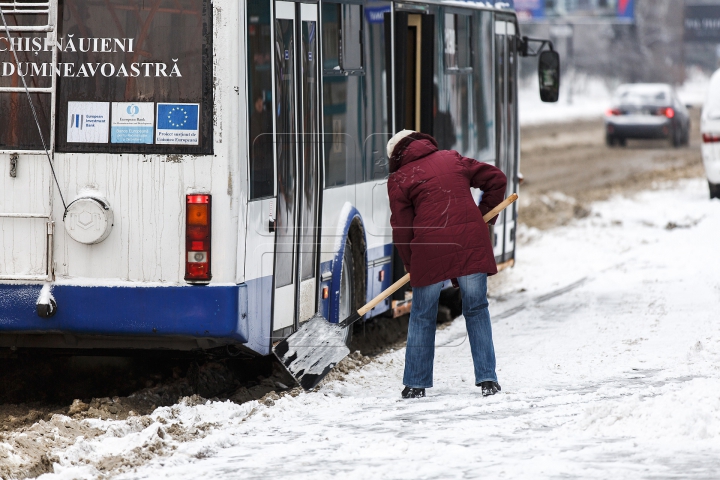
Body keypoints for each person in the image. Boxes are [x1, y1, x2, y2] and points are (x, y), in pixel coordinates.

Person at [386, 129, 507, 399]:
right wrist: (482, 217)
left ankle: (416, 384)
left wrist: (409, 262)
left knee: (422, 315)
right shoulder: (452, 159)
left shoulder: (399, 179)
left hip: (429, 251)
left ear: (396, 157)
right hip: (470, 243)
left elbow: (402, 228)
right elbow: (496, 179)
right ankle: (488, 379)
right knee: (476, 309)